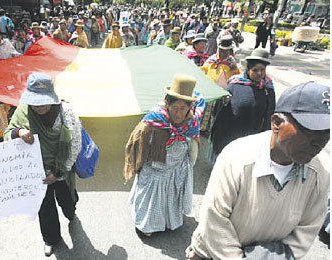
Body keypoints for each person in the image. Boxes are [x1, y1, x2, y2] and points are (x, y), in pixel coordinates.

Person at [186, 81, 330, 260]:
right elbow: (214, 220)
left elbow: (307, 231)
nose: (320, 142)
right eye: (309, 130)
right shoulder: (237, 157)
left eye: (326, 132)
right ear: (276, 122)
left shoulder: (319, 175)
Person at [4, 73, 81, 257]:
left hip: (61, 170)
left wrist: (58, 172)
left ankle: (71, 213)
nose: (38, 107)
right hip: (37, 173)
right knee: (44, 209)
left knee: (67, 201)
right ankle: (50, 239)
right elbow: (7, 135)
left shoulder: (66, 112)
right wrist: (18, 132)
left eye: (43, 102)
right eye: (34, 103)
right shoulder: (23, 111)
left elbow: (75, 146)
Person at [125, 74, 205, 237]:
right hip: (156, 167)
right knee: (154, 195)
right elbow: (137, 142)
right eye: (175, 108)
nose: (178, 113)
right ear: (167, 103)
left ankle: (169, 221)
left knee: (171, 194)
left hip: (176, 167)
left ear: (189, 108)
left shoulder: (192, 121)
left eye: (183, 109)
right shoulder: (154, 119)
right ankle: (147, 225)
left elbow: (194, 139)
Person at [207, 49, 275, 163]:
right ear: (248, 70)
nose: (259, 73)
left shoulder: (268, 88)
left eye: (262, 70)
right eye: (255, 70)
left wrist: (267, 134)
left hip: (251, 132)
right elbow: (221, 106)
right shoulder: (235, 83)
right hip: (230, 130)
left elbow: (270, 112)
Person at [200, 35, 240, 133]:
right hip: (210, 93)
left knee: (218, 113)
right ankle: (203, 129)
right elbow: (202, 72)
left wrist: (234, 69)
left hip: (223, 95)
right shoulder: (211, 61)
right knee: (206, 112)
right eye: (221, 50)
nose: (223, 53)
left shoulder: (232, 64)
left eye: (226, 51)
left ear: (230, 51)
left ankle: (214, 130)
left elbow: (237, 78)